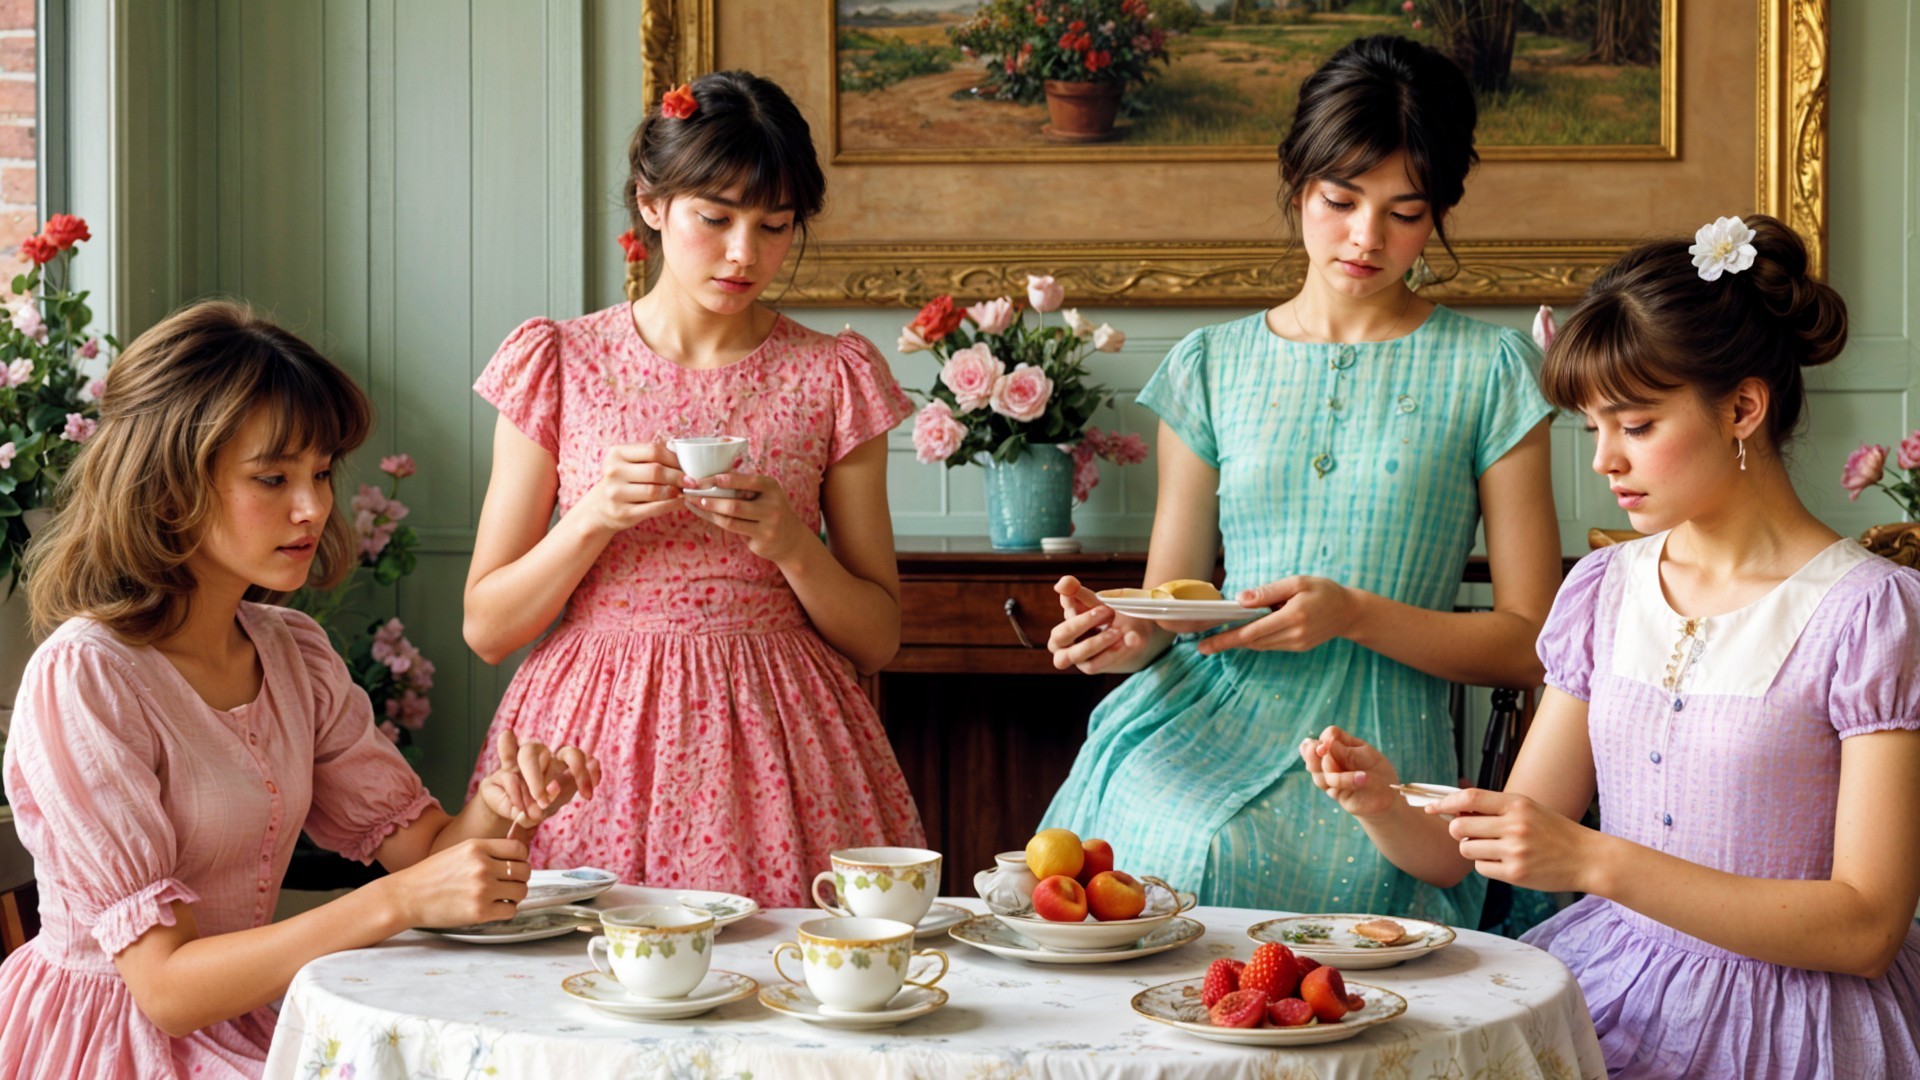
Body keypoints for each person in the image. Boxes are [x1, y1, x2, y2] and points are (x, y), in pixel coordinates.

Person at [1303, 215, 1920, 1077]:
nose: (1603, 461)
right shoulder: (1604, 591)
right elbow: (1475, 851)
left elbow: (1866, 929)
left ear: (1743, 407)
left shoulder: (1870, 614)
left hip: (1796, 1026)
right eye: (1591, 427)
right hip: (1608, 993)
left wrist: (1594, 858)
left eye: (1634, 425)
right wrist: (1382, 803)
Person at [0, 300, 599, 1078]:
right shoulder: (88, 678)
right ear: (169, 485)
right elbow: (166, 991)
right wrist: (400, 904)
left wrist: (504, 800)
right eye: (272, 478)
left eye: (319, 473)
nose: (314, 506)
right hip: (116, 1045)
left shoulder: (294, 655)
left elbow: (428, 853)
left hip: (263, 1015)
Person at [1042, 34, 1561, 921]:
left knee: (1238, 856)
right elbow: (1175, 601)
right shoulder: (1212, 364)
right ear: (1296, 183)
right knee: (1157, 832)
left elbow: (1532, 642)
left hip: (1376, 745)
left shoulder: (1491, 369)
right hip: (1199, 717)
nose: (1367, 237)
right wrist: (1124, 639)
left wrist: (1355, 614)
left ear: (1439, 212)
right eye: (1340, 199)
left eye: (1405, 211)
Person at [461, 70, 925, 906]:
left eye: (774, 225)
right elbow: (487, 629)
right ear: (651, 204)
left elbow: (878, 638)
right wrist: (592, 519)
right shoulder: (560, 364)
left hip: (785, 743)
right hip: (589, 744)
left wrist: (790, 545)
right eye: (715, 218)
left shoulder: (833, 376)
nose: (745, 252)